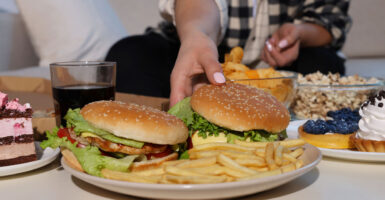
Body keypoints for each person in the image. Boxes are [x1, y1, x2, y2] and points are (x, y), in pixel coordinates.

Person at [106, 0, 351, 106]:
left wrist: (300, 33)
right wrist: (196, 36)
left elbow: (331, 18)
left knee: (325, 64)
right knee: (129, 56)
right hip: (203, 52)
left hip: (280, 65)